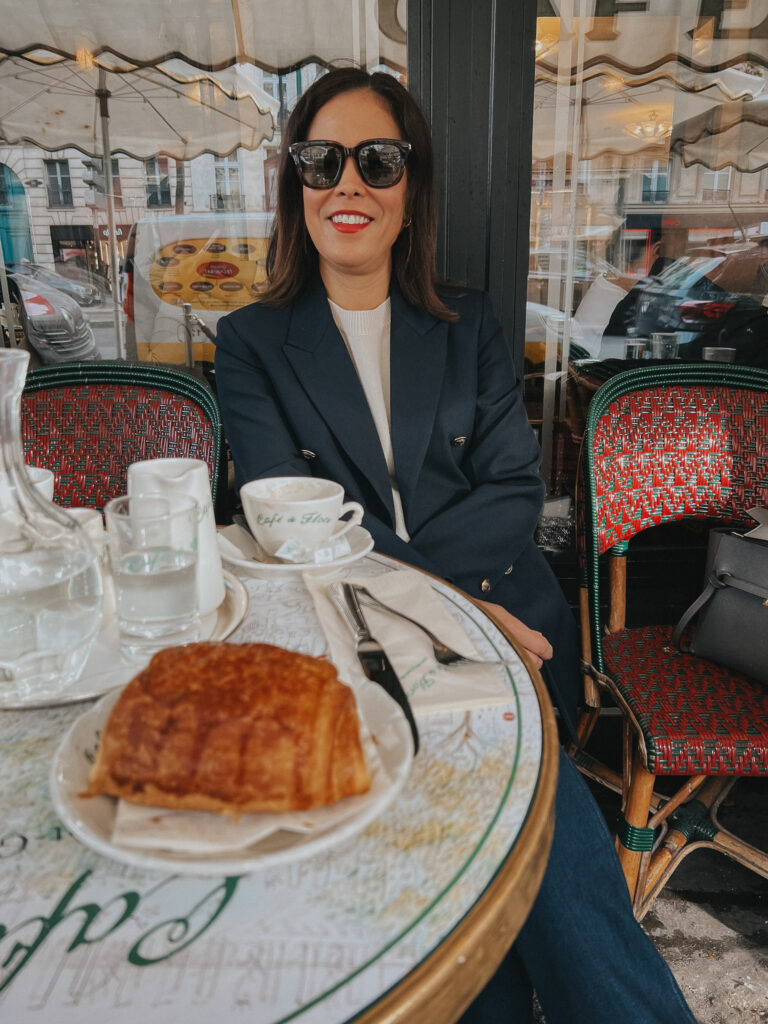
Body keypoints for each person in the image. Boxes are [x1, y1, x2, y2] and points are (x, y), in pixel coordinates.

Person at [214, 67, 696, 1024]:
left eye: (377, 160)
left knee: (569, 902)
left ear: (411, 186)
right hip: (362, 652)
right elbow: (285, 514)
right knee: (461, 949)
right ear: (296, 186)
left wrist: (460, 608)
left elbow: (515, 489)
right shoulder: (251, 341)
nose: (348, 183)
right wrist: (458, 607)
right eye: (321, 160)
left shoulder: (471, 322)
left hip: (510, 644)